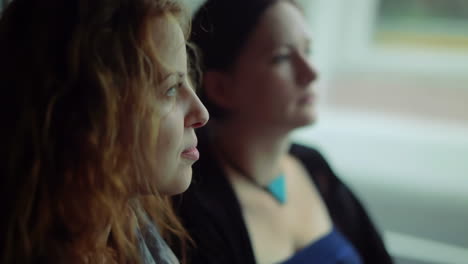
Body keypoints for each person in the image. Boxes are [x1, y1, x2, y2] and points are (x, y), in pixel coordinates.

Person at [171, 0, 394, 263]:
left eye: (308, 51)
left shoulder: (313, 165)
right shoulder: (193, 205)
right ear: (221, 88)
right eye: (283, 57)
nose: (311, 73)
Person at [0, 0, 208, 263]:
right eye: (170, 89)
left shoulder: (131, 234)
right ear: (87, 114)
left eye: (186, 80)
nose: (201, 114)